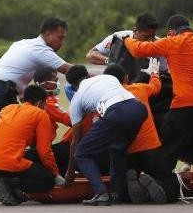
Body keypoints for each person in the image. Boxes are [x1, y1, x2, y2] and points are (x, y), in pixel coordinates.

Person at [123, 14, 193, 201]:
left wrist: (127, 38)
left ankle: (161, 185)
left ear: (171, 32)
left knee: (167, 148)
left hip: (184, 105)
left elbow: (139, 50)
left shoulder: (174, 42)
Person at [63, 65, 148, 206]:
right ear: (88, 75)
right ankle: (115, 193)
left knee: (82, 153)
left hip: (116, 112)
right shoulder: (108, 77)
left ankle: (101, 193)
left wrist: (70, 172)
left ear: (73, 85)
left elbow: (75, 142)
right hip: (138, 108)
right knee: (117, 149)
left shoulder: (77, 99)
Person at [103, 63, 179, 204]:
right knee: (170, 184)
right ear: (126, 78)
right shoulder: (139, 88)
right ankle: (161, 188)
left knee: (120, 187)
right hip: (150, 148)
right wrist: (154, 73)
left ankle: (130, 192)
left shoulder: (104, 99)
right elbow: (156, 87)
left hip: (126, 153)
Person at [0, 85, 64, 206]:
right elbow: (44, 151)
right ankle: (7, 185)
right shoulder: (40, 114)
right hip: (8, 163)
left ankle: (5, 186)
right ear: (39, 103)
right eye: (44, 104)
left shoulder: (7, 108)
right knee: (47, 180)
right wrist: (55, 173)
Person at [0, 17, 73, 129]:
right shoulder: (40, 49)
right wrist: (98, 78)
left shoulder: (21, 43)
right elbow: (72, 71)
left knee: (1, 137)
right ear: (48, 34)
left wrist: (22, 92)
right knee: (10, 137)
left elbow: (11, 71)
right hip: (1, 92)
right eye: (60, 38)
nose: (62, 43)